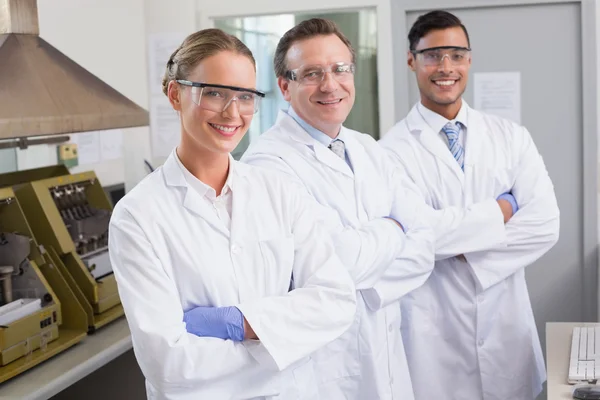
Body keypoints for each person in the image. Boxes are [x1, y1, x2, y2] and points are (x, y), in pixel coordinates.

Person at [242, 18, 518, 400]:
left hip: (388, 364)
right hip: (325, 375)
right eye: (312, 73)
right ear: (285, 87)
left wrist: (367, 281)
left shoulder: (368, 148)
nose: (330, 84)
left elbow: (424, 242)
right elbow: (339, 262)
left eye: (340, 69)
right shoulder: (267, 165)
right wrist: (392, 228)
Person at [108, 28, 357, 400]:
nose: (232, 112)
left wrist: (240, 324)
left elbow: (337, 302)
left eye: (245, 96)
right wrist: (285, 347)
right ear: (176, 94)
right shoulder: (138, 216)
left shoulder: (279, 192)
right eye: (213, 93)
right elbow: (169, 366)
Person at [379, 10, 560, 400]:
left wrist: (461, 248)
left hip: (507, 339)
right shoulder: (388, 153)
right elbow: (422, 237)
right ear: (411, 60)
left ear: (470, 60)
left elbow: (545, 224)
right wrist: (501, 211)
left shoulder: (511, 137)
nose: (446, 67)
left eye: (456, 55)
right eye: (432, 55)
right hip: (433, 348)